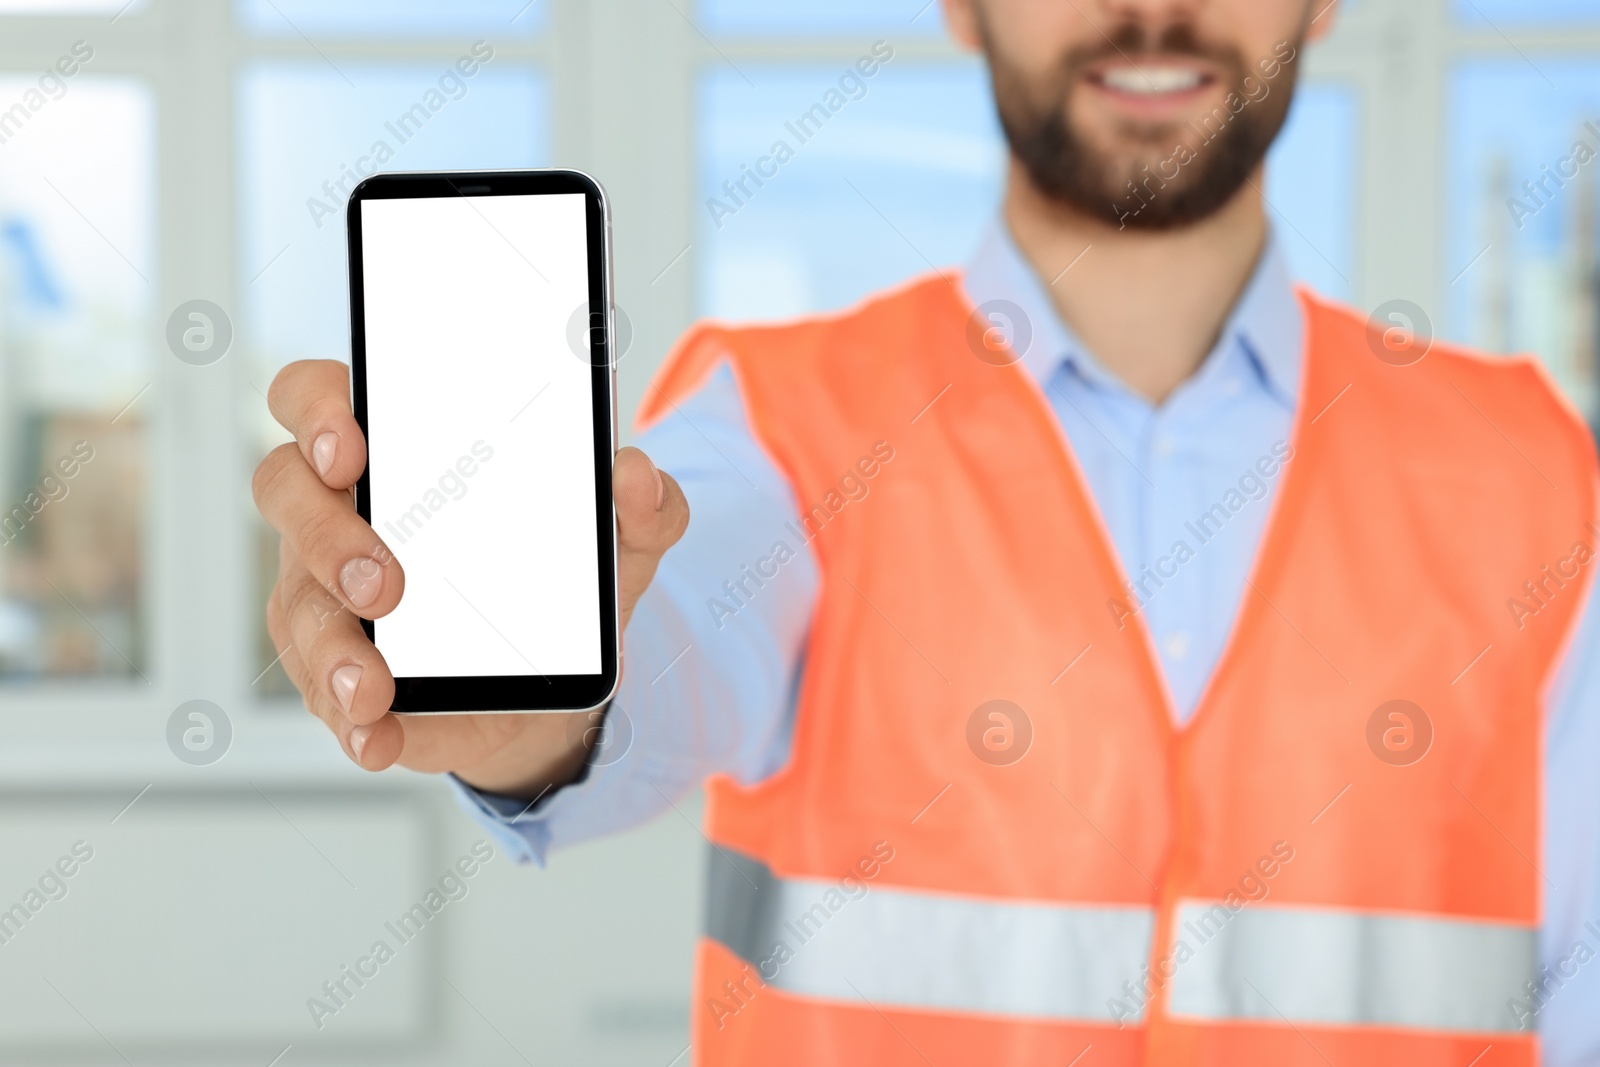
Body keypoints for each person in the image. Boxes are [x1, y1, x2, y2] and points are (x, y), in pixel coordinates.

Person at [252, 0, 1600, 1063]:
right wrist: (540, 723)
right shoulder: (780, 429)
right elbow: (677, 631)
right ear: (960, 3)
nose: (1150, 9)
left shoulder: (1537, 475)